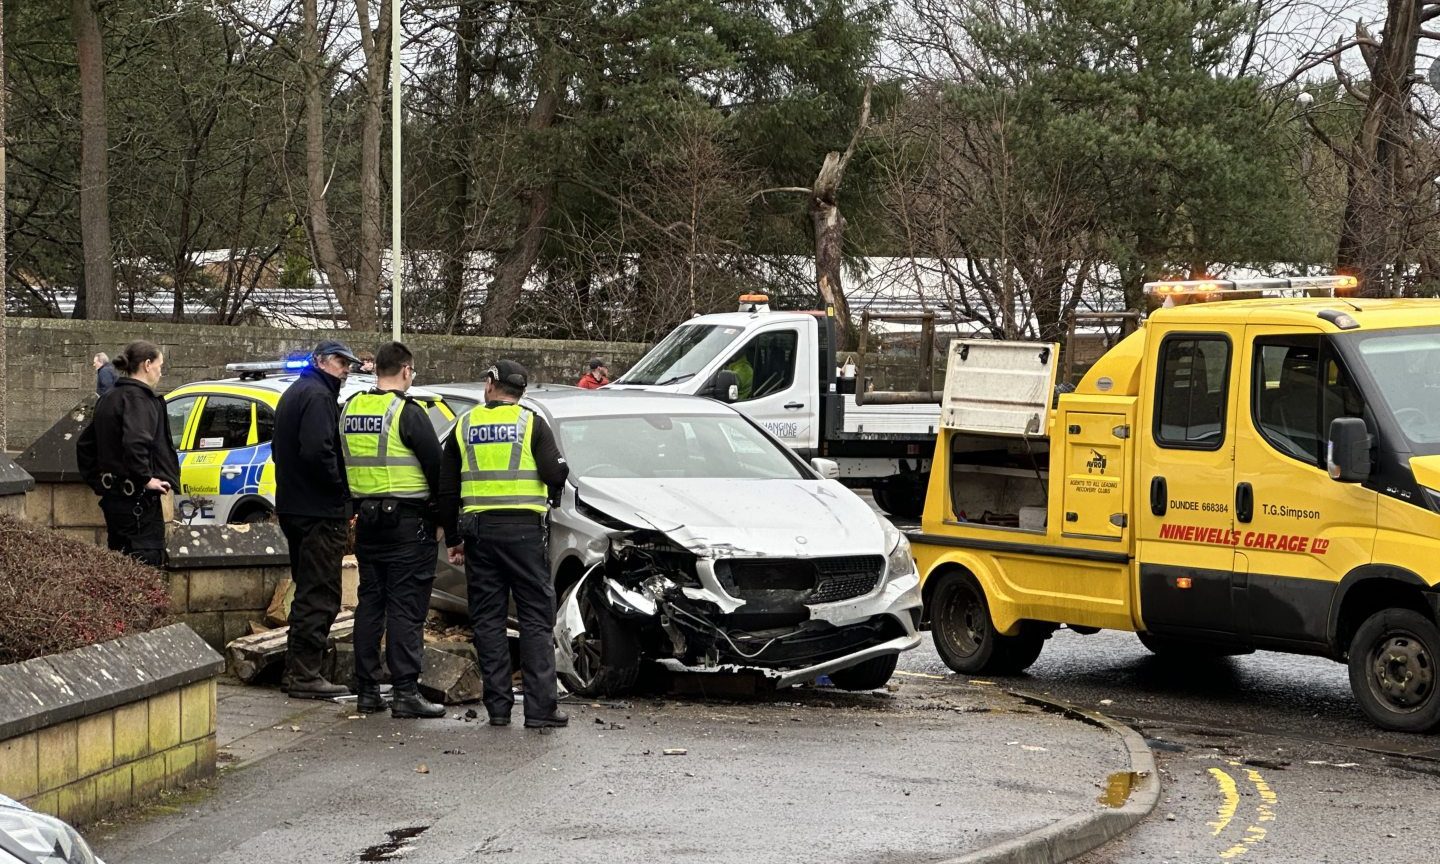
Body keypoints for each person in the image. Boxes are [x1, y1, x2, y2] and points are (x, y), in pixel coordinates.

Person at [440, 359, 570, 729]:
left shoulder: (464, 425)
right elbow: (555, 472)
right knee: (534, 618)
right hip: (525, 533)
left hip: (479, 534)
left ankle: (498, 708)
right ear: (522, 391)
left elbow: (447, 488)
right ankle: (541, 709)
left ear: (490, 385)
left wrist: (453, 538)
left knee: (488, 619)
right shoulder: (532, 424)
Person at [340, 342, 446, 719]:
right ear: (405, 371)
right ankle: (405, 692)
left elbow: (342, 464)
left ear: (375, 370)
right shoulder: (407, 412)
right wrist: (442, 521)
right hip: (408, 523)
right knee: (405, 607)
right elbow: (437, 469)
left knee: (371, 604)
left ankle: (367, 690)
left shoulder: (350, 409)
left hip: (367, 523)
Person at [272, 340, 360, 700]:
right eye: (341, 362)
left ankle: (299, 670)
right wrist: (341, 492)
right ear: (322, 362)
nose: (346, 369)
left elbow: (283, 450)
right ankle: (306, 673)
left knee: (307, 586)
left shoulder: (295, 392)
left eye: (348, 364)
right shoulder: (319, 396)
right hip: (318, 511)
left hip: (294, 506)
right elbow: (318, 451)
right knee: (320, 590)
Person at [76, 340, 180, 567]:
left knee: (120, 569)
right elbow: (136, 442)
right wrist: (145, 478)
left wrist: (100, 481)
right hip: (138, 506)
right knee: (146, 569)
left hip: (114, 501)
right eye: (160, 366)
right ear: (147, 364)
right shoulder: (139, 399)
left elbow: (85, 446)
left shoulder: (109, 398)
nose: (160, 372)